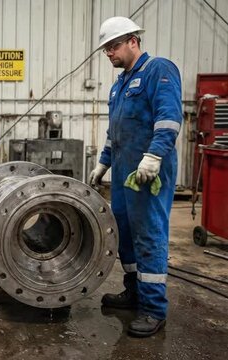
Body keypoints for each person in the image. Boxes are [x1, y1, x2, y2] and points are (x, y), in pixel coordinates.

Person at [89, 16, 182, 337]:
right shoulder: (119, 85)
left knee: (149, 236)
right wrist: (102, 164)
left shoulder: (159, 70)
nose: (109, 53)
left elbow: (169, 119)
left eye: (113, 46)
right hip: (125, 174)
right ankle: (134, 292)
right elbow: (115, 133)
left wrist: (155, 155)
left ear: (133, 41)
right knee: (123, 234)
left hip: (150, 174)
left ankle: (154, 309)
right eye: (105, 49)